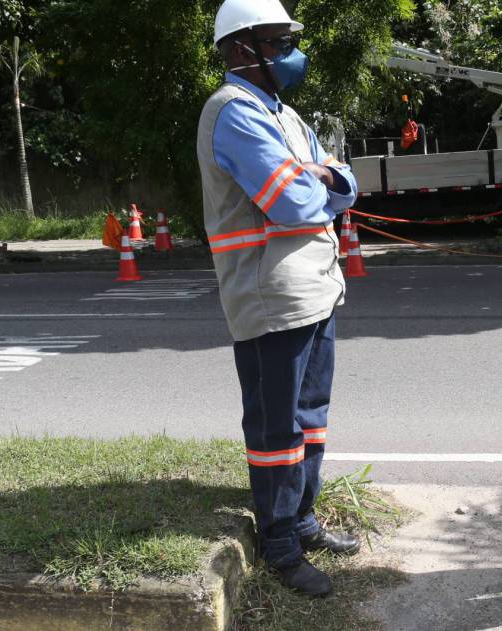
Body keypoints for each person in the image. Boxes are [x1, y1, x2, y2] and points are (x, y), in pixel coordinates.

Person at [196, 0, 359, 598]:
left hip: (315, 286)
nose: (292, 52)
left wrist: (323, 176)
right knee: (276, 424)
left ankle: (303, 518)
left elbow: (347, 185)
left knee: (310, 417)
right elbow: (290, 203)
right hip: (270, 293)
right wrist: (316, 177)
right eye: (278, 41)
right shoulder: (234, 113)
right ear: (243, 49)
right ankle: (280, 541)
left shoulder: (282, 114)